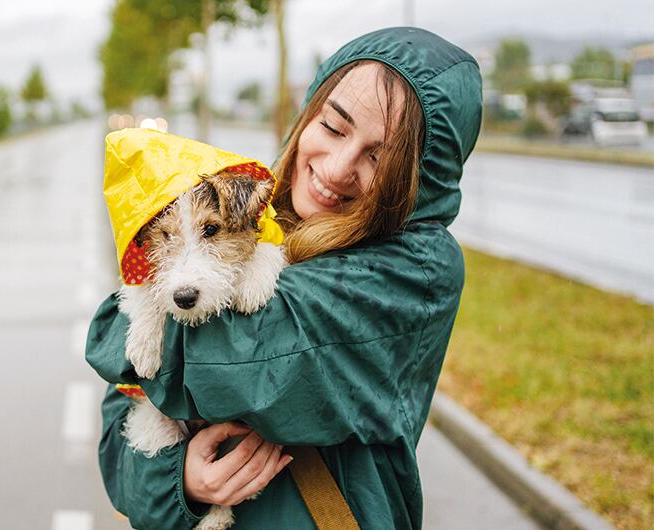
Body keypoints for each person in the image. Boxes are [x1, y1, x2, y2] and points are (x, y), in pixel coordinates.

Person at [86, 26, 483, 529]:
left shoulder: (415, 270)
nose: (337, 169)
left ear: (416, 181)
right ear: (307, 115)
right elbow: (117, 434)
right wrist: (178, 481)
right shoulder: (248, 210)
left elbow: (232, 360)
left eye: (379, 158)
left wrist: (124, 322)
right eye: (334, 128)